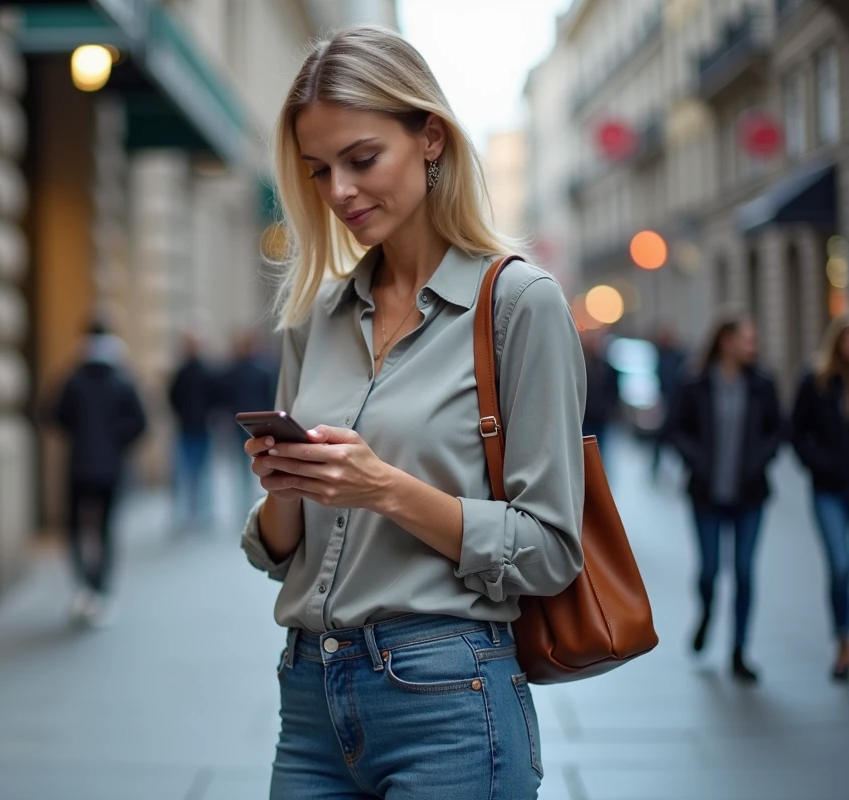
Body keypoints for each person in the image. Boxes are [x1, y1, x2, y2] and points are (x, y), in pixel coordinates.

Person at [240, 26, 586, 798]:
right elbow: (278, 554)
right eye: (318, 170)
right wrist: (284, 486)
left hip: (449, 700)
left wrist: (384, 488)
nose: (339, 191)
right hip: (310, 699)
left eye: (362, 159)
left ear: (430, 137)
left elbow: (552, 549)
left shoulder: (519, 304)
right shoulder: (316, 316)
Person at [665, 312, 782, 683]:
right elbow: (675, 428)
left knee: (744, 572)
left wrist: (759, 459)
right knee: (710, 570)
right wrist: (697, 461)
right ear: (726, 341)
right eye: (747, 338)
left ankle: (739, 650)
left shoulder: (762, 383)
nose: (752, 345)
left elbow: (777, 429)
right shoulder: (695, 381)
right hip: (706, 493)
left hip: (750, 494)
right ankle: (707, 613)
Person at [43, 323, 147, 628]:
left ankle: (83, 588)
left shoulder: (72, 379)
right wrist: (118, 441)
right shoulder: (123, 380)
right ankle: (101, 590)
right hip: (112, 467)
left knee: (75, 529)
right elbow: (141, 423)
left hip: (78, 465)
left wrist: (79, 434)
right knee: (105, 530)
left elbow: (52, 415)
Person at [790, 314, 849, 682]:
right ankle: (843, 641)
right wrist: (819, 464)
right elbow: (796, 431)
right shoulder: (816, 381)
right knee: (840, 566)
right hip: (828, 489)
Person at [220, 330, 278, 516]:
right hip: (254, 424)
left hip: (250, 424)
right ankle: (253, 502)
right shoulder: (261, 370)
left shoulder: (237, 371)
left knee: (254, 464)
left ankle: (254, 502)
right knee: (254, 464)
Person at [168, 332, 217, 530]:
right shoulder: (188, 372)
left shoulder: (196, 371)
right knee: (190, 472)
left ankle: (199, 513)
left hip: (197, 428)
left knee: (198, 472)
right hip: (190, 428)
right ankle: (193, 513)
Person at [651, 326, 687, 480]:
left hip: (675, 403)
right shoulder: (659, 355)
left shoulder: (679, 356)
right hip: (664, 402)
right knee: (659, 439)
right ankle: (655, 467)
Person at [580, 328, 621, 457]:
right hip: (585, 417)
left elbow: (614, 391)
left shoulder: (607, 367)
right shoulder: (581, 365)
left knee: (598, 451)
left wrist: (608, 409)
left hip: (600, 418)